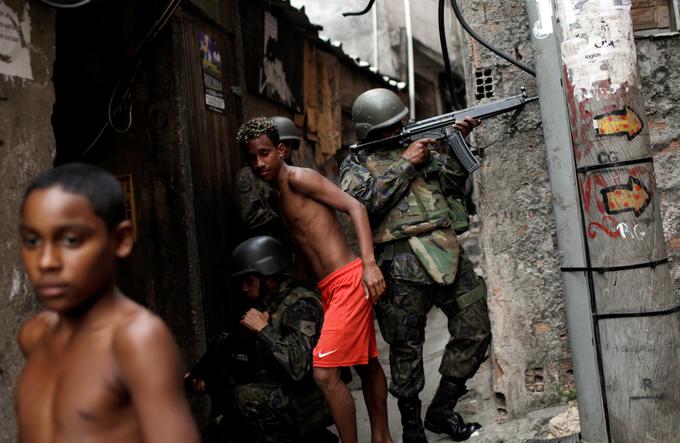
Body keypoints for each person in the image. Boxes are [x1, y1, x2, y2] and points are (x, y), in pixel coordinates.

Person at [340, 88, 492, 443]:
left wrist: (457, 141)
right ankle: (411, 427)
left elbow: (453, 182)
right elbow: (366, 202)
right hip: (399, 263)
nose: (399, 130)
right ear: (371, 132)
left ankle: (441, 409)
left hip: (445, 250)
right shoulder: (354, 165)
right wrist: (407, 161)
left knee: (475, 326)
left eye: (400, 123)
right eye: (391, 127)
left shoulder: (423, 151)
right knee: (406, 346)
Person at [15, 162, 200, 443]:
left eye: (71, 240)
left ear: (121, 240)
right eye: (32, 241)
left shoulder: (136, 340)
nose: (46, 261)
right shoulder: (34, 336)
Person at [236, 117, 393, 443]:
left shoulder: (299, 178)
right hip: (329, 289)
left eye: (264, 153)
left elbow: (356, 208)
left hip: (349, 279)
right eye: (251, 158)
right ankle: (383, 437)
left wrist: (369, 265)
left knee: (324, 373)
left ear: (281, 150)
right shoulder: (278, 198)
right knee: (366, 363)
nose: (259, 163)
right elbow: (306, 246)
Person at [186, 235, 336, 443]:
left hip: (311, 398)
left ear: (270, 276)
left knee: (246, 396)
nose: (244, 288)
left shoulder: (301, 305)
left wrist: (263, 330)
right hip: (285, 394)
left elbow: (299, 367)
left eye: (249, 280)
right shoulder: (267, 304)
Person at [236, 116, 300, 235]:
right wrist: (284, 215)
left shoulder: (294, 172)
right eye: (282, 144)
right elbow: (250, 217)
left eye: (288, 144)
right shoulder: (250, 174)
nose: (285, 149)